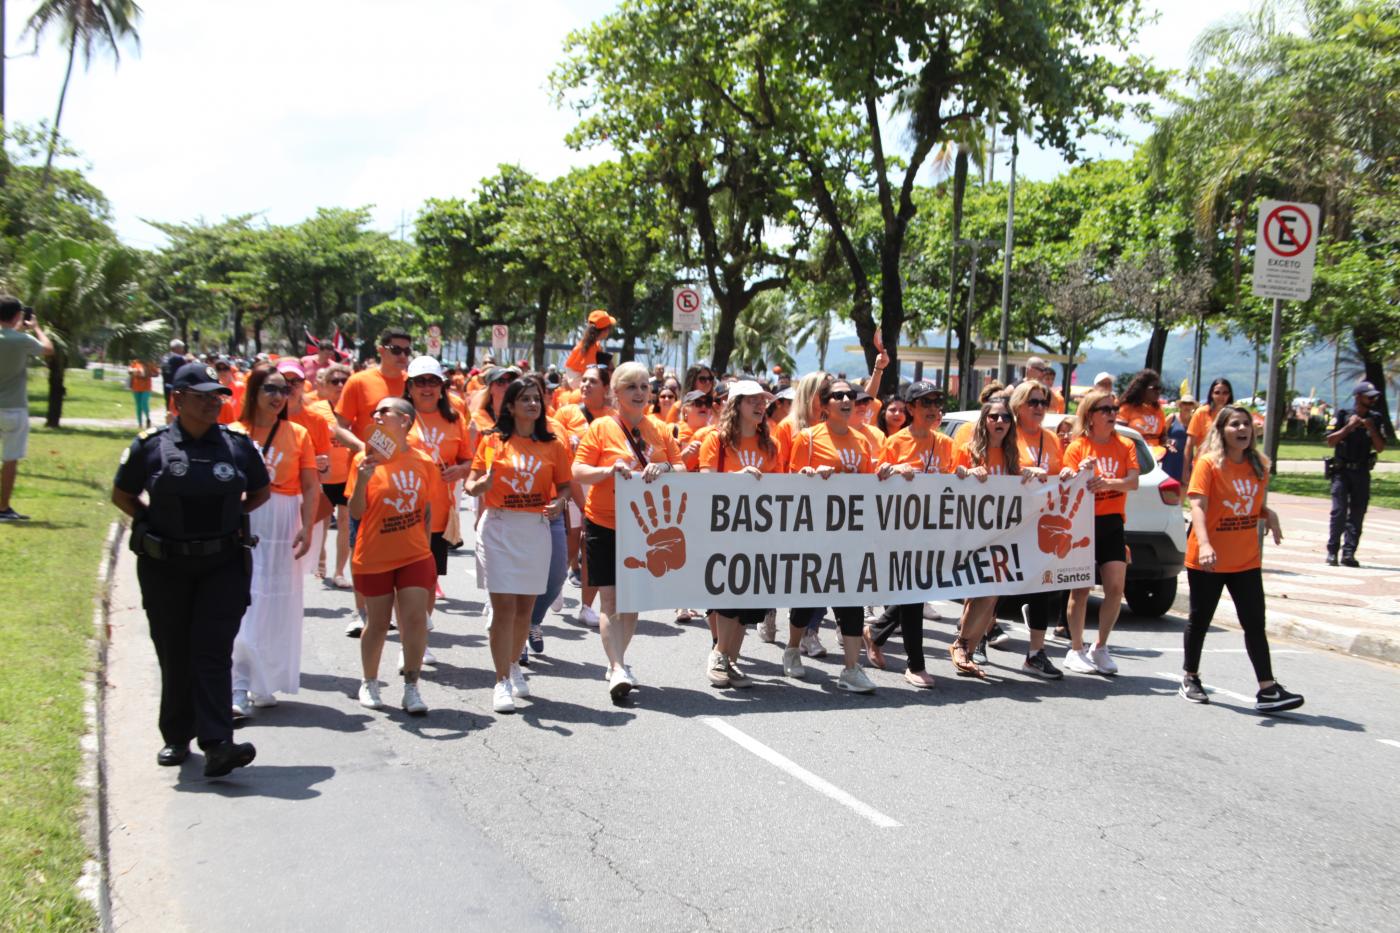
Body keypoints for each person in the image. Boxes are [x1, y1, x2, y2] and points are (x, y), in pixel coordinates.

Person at [110, 360, 267, 776]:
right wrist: (152, 522)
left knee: (212, 651)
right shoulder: (151, 445)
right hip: (166, 567)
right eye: (202, 397)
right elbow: (123, 494)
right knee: (174, 651)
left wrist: (227, 519)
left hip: (223, 564)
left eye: (217, 396)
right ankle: (177, 736)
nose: (213, 404)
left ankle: (218, 743)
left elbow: (260, 491)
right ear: (177, 400)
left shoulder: (237, 445)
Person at [1179, 405, 1303, 712]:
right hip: (1209, 558)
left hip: (1246, 559)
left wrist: (1268, 513)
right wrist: (1205, 544)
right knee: (1200, 619)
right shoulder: (1208, 464)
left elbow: (1245, 503)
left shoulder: (1259, 464)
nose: (1243, 429)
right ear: (1222, 430)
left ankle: (1268, 688)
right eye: (1235, 424)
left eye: (1246, 424)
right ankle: (1190, 676)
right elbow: (1198, 506)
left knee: (1254, 622)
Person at [572, 361, 683, 701]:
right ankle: (617, 667)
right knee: (610, 599)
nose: (639, 393)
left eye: (644, 387)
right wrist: (608, 469)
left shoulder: (660, 429)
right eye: (631, 387)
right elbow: (578, 469)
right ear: (616, 393)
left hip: (643, 529)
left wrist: (664, 466)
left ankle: (618, 659)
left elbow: (681, 467)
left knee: (632, 601)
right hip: (603, 523)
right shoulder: (602, 427)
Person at [465, 378, 573, 713]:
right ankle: (500, 681)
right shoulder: (493, 441)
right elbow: (470, 485)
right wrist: (481, 484)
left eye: (536, 399)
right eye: (524, 399)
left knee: (525, 610)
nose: (532, 404)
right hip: (499, 527)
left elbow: (566, 487)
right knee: (504, 608)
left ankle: (513, 664)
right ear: (510, 406)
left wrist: (560, 504)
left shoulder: (553, 444)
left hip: (535, 529)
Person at [230, 364, 318, 717]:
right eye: (270, 389)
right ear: (253, 391)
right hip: (247, 516)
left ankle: (263, 681)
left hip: (284, 519)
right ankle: (237, 685)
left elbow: (311, 485)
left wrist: (308, 526)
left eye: (284, 390)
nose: (279, 397)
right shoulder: (235, 433)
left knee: (277, 604)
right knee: (246, 601)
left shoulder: (298, 434)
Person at [345, 397, 441, 715]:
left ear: (405, 421)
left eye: (384, 411)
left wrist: (425, 551)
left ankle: (411, 687)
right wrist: (362, 479)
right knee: (378, 623)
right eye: (375, 412)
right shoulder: (365, 458)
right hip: (374, 555)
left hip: (413, 555)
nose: (377, 416)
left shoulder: (424, 462)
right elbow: (355, 511)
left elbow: (426, 509)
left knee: (414, 620)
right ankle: (369, 681)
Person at [784, 379, 880, 693]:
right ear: (824, 405)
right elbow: (788, 484)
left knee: (849, 600)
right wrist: (809, 477)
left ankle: (851, 669)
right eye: (837, 395)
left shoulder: (863, 442)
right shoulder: (808, 439)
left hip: (850, 537)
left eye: (850, 395)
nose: (846, 399)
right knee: (807, 599)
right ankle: (792, 647)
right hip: (813, 534)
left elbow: (869, 489)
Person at [697, 380, 783, 688]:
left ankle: (731, 660)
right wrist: (737, 478)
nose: (761, 406)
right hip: (725, 530)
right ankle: (719, 654)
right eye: (752, 401)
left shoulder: (771, 447)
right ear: (736, 406)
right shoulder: (716, 441)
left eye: (763, 401)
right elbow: (705, 483)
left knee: (748, 602)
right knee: (728, 595)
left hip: (759, 533)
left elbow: (779, 489)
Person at [868, 380, 953, 687]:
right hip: (901, 531)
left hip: (933, 530)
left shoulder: (945, 443)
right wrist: (894, 469)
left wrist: (971, 474)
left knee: (914, 591)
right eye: (926, 403)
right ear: (911, 408)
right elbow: (877, 477)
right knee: (914, 593)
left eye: (936, 403)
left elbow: (957, 478)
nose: (932, 408)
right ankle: (915, 664)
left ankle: (876, 632)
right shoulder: (896, 442)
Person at [948, 395, 1036, 676]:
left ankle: (966, 651)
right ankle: (962, 645)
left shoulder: (1012, 457)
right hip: (970, 533)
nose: (1000, 421)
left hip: (1002, 535)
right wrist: (964, 472)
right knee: (982, 594)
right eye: (994, 416)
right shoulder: (967, 450)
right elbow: (948, 481)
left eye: (1006, 417)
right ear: (984, 421)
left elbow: (1020, 487)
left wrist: (1032, 476)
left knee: (990, 594)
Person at [1062, 387, 1139, 675]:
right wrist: (1081, 472)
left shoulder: (1125, 445)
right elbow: (1066, 482)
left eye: (1114, 409)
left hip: (1112, 523)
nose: (1111, 414)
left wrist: (1106, 483)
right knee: (1081, 588)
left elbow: (1132, 481)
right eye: (1105, 410)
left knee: (1116, 588)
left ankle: (1101, 646)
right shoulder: (1077, 446)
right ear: (1090, 416)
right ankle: (1075, 648)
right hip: (1083, 523)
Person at [405, 355, 473, 663]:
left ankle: (422, 639)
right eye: (421, 382)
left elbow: (469, 459)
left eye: (433, 382)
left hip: (438, 513)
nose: (428, 388)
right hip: (401, 512)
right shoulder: (395, 414)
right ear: (410, 386)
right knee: (404, 581)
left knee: (429, 578)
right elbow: (373, 453)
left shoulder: (454, 417)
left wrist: (460, 471)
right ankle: (410, 640)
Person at [0, 297, 55, 521]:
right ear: (17, 316)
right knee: (10, 459)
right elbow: (48, 349)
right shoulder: (22, 339)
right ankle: (2, 507)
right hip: (14, 409)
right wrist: (37, 328)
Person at [1324, 380, 1386, 567]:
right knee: (1339, 512)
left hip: (1361, 471)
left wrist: (1370, 428)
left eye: (1374, 397)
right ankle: (1333, 552)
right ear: (1358, 397)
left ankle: (1349, 553)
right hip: (1341, 471)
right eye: (1369, 397)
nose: (1373, 400)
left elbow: (1381, 447)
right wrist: (1349, 427)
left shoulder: (1375, 419)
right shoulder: (1342, 415)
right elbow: (1330, 441)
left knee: (1358, 513)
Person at [309, 363, 356, 588]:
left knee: (345, 521)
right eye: (334, 381)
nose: (339, 385)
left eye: (343, 381)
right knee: (323, 521)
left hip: (348, 474)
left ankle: (339, 572)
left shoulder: (354, 409)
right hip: (323, 475)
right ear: (325, 386)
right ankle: (320, 560)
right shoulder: (316, 409)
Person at [1185, 378, 1234, 480]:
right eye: (1217, 392)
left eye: (1225, 393)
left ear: (1229, 395)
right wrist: (1185, 470)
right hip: (1204, 465)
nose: (1221, 396)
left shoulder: (1234, 414)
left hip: (1227, 466)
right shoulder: (1201, 413)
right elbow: (1189, 445)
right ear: (1211, 394)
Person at [1117, 368, 1169, 448]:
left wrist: (1167, 443)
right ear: (1142, 389)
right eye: (1154, 388)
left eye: (1160, 388)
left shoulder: (1158, 410)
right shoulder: (1126, 408)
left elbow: (1163, 436)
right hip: (1133, 453)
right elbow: (1119, 435)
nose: (1158, 392)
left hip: (1155, 456)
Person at [564, 309, 615, 375]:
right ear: (604, 331)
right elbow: (588, 372)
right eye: (609, 328)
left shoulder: (591, 344)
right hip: (579, 381)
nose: (609, 331)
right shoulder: (591, 347)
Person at [1161, 393, 1196, 482]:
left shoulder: (1194, 421)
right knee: (1168, 487)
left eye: (1190, 404)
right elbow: (1161, 434)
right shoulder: (1172, 418)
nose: (1187, 406)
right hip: (1170, 458)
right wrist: (1168, 444)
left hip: (1186, 460)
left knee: (1184, 488)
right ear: (1180, 405)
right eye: (1185, 403)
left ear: (1193, 406)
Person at [160, 338, 189, 409]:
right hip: (176, 386)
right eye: (181, 348)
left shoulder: (164, 357)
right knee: (178, 407)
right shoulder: (178, 358)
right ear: (177, 348)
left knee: (168, 405)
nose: (182, 350)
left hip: (166, 385)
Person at [129, 359, 154, 429]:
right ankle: (140, 424)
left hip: (146, 387)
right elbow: (129, 371)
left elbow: (156, 373)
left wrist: (147, 373)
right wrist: (134, 372)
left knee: (144, 403)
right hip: (136, 387)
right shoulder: (135, 362)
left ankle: (148, 419)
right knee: (138, 406)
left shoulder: (150, 362)